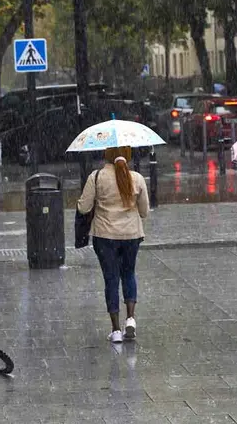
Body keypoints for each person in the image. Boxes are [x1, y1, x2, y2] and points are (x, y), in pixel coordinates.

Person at [77, 146, 149, 343]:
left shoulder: (97, 177)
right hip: (131, 234)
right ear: (128, 155)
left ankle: (116, 330)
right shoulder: (137, 178)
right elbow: (144, 212)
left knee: (111, 278)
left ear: (106, 155)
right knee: (128, 273)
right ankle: (131, 319)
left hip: (105, 235)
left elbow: (84, 207)